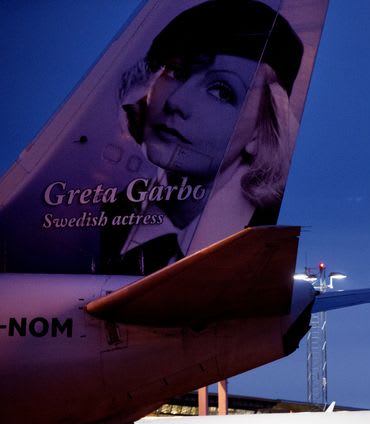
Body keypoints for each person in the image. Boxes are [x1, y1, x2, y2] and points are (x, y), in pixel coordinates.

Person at [101, 0, 304, 275]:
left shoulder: (268, 229)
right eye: (175, 72)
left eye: (221, 91)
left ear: (261, 132)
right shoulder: (116, 210)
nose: (177, 101)